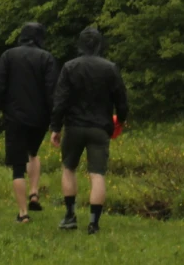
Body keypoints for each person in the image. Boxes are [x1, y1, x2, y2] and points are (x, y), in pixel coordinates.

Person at [49, 25, 129, 233]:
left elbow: (60, 101)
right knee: (97, 173)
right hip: (100, 128)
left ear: (80, 45)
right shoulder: (110, 68)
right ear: (100, 44)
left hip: (74, 126)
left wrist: (55, 127)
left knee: (68, 168)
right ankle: (94, 222)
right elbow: (121, 100)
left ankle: (70, 215)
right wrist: (120, 120)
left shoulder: (69, 67)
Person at [0, 21, 58, 222]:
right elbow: (52, 92)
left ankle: (23, 213)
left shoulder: (8, 56)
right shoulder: (47, 58)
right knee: (33, 153)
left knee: (18, 166)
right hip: (39, 119)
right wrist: (55, 122)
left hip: (15, 118)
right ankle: (34, 192)